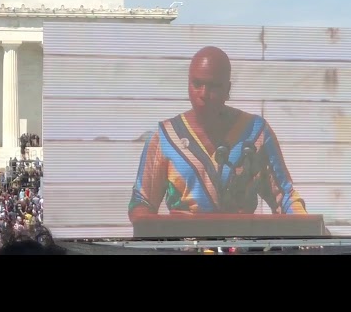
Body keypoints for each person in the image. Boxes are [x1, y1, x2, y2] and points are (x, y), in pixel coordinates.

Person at [128, 46, 307, 222]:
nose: (204, 94)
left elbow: (285, 197)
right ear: (188, 84)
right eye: (197, 84)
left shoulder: (256, 133)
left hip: (241, 245)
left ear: (227, 89)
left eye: (214, 86)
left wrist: (310, 232)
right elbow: (142, 203)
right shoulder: (164, 138)